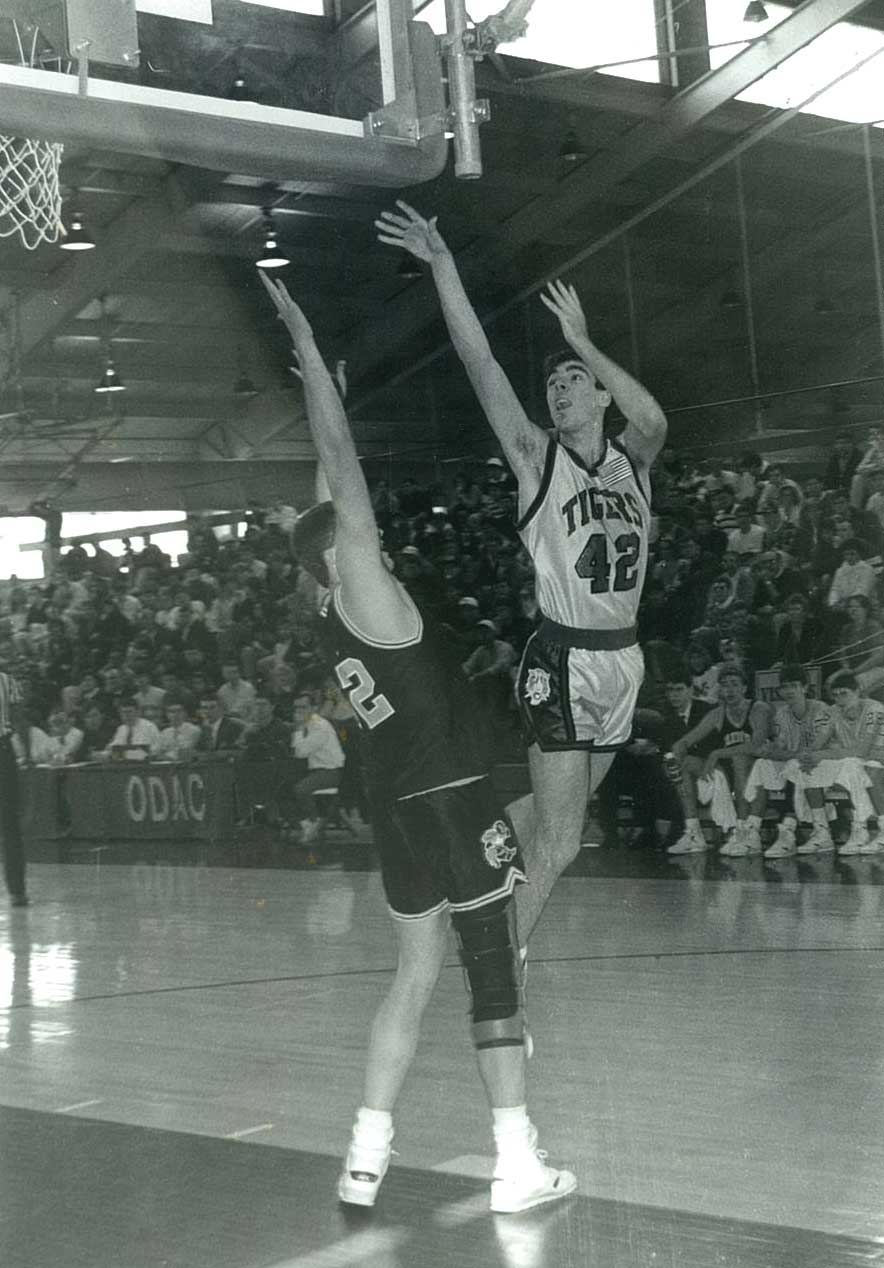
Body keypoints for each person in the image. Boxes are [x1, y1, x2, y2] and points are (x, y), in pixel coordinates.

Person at [262, 272, 574, 1215]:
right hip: (450, 796)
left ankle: (364, 1155)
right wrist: (315, 363)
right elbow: (338, 468)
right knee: (488, 976)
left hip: (395, 808)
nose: (373, 533)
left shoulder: (329, 615)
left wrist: (335, 396)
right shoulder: (376, 597)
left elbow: (327, 502)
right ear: (341, 557)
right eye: (357, 534)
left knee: (412, 972)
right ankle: (515, 1164)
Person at [376, 201, 666, 946]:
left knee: (546, 818)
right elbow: (481, 364)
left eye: (573, 380)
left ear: (599, 394)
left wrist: (584, 343)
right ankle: (502, 976)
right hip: (563, 660)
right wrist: (444, 267)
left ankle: (450, 848)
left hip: (623, 662)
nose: (559, 389)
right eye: (555, 384)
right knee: (563, 843)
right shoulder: (539, 460)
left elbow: (656, 418)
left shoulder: (633, 461)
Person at [742, 663, 874, 858]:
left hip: (827, 764)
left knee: (797, 766)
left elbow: (819, 748)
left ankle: (793, 831)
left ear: (805, 688)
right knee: (764, 765)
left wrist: (789, 754)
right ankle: (751, 831)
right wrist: (778, 752)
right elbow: (777, 749)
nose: (789, 691)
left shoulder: (821, 709)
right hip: (803, 761)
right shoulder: (782, 714)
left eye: (794, 685)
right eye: (785, 686)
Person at [667, 665, 770, 857]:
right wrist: (675, 756)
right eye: (724, 685)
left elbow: (756, 746)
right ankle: (693, 833)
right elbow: (686, 740)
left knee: (740, 759)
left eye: (734, 684)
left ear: (744, 688)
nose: (729, 690)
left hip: (761, 771)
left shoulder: (758, 708)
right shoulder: (717, 714)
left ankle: (747, 832)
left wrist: (716, 754)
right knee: (685, 763)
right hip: (730, 773)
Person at [290, 692, 345, 842]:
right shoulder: (307, 724)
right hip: (315, 770)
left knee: (300, 789)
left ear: (314, 708)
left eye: (303, 707)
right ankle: (307, 824)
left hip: (331, 771)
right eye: (296, 707)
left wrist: (298, 728)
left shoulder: (320, 726)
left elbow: (300, 752)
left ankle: (313, 824)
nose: (299, 711)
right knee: (282, 786)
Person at [0, 668, 28, 906]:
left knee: (10, 822)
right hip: (4, 750)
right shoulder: (7, 680)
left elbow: (20, 719)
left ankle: (17, 889)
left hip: (4, 750)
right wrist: (24, 753)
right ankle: (17, 891)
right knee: (10, 823)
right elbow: (19, 719)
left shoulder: (8, 680)